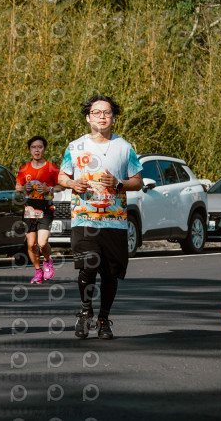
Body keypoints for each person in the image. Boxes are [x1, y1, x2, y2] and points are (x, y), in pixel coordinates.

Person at [58, 94, 142, 339]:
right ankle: (85, 312)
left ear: (113, 118)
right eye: (96, 112)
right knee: (87, 266)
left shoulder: (124, 147)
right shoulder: (75, 146)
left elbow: (137, 181)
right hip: (84, 218)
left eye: (107, 112)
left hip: (114, 220)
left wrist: (118, 183)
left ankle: (104, 319)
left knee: (110, 273)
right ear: (88, 117)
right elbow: (62, 177)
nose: (102, 117)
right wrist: (73, 184)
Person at [15, 136, 62, 284]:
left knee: (42, 243)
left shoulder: (52, 168)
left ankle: (47, 260)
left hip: (46, 208)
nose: (37, 150)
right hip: (30, 209)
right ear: (30, 150)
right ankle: (38, 271)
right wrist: (24, 188)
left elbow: (62, 186)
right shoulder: (24, 168)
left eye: (40, 147)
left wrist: (49, 189)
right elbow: (17, 186)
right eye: (34, 147)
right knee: (30, 244)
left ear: (44, 149)